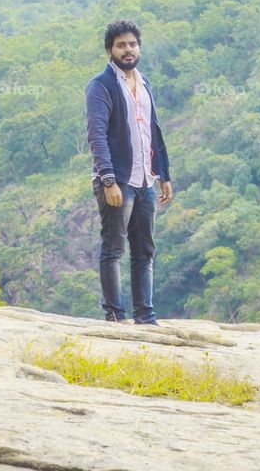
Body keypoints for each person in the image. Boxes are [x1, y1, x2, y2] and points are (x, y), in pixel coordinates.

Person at [84, 19, 173, 324]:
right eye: (121, 45)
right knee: (113, 248)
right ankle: (115, 316)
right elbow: (96, 134)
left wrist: (163, 173)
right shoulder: (101, 86)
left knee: (144, 250)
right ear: (110, 50)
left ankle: (145, 317)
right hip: (118, 180)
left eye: (132, 44)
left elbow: (153, 131)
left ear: (139, 47)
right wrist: (108, 179)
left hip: (146, 179)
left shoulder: (145, 83)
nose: (128, 49)